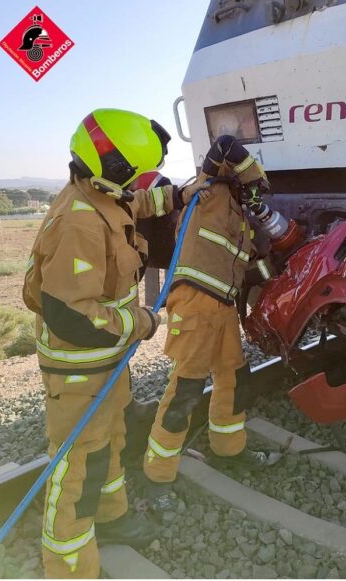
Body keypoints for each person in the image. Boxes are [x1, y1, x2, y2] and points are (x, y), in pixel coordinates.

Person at [22, 108, 204, 578]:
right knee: (78, 464)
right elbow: (71, 317)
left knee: (111, 442)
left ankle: (112, 519)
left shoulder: (102, 195)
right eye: (135, 176)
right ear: (116, 171)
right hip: (79, 369)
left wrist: (182, 194)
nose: (138, 188)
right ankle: (68, 565)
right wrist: (141, 321)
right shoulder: (78, 223)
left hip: (105, 364)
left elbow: (138, 205)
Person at [141, 135, 279, 510]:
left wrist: (279, 270)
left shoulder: (241, 220)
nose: (256, 198)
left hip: (222, 310)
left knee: (235, 379)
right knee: (185, 390)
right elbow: (225, 144)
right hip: (195, 304)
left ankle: (228, 450)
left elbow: (253, 269)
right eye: (252, 189)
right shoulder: (209, 192)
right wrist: (254, 181)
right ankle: (158, 474)